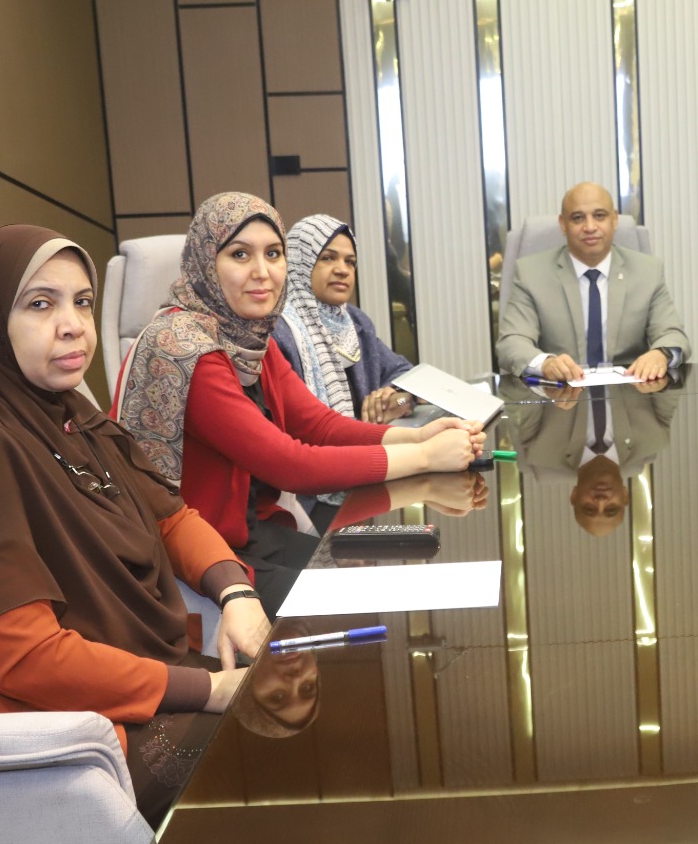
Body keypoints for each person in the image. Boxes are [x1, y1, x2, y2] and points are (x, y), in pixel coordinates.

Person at [0, 226, 272, 826]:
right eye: (40, 304)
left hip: (114, 676)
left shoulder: (61, 407)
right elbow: (24, 658)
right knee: (263, 771)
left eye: (82, 302)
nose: (74, 325)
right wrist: (207, 691)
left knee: (292, 725)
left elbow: (170, 518)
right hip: (30, 717)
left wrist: (235, 593)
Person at [114, 193, 484, 611]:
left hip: (253, 533)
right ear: (205, 263)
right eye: (240, 254)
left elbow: (319, 426)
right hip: (201, 562)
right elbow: (292, 465)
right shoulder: (185, 349)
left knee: (426, 586)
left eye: (273, 254)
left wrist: (418, 437)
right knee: (372, 601)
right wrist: (426, 457)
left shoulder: (249, 336)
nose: (262, 272)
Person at [495, 182, 691, 381]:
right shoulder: (531, 273)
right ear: (563, 224)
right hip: (561, 392)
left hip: (630, 391)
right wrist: (545, 363)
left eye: (599, 216)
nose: (589, 227)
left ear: (614, 219)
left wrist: (660, 354)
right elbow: (511, 342)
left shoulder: (648, 271)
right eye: (578, 218)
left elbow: (672, 334)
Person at [271, 213, 416, 423]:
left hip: (364, 439)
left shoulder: (354, 320)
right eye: (328, 258)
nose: (343, 270)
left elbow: (406, 376)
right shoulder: (277, 330)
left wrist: (393, 396)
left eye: (350, 262)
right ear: (299, 262)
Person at [511, 381, 680, 536]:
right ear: (625, 496)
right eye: (611, 508)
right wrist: (660, 366)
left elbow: (517, 388)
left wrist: (546, 373)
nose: (601, 501)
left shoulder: (541, 447)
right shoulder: (653, 437)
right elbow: (674, 379)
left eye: (589, 508)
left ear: (574, 496)